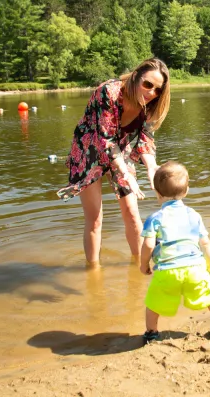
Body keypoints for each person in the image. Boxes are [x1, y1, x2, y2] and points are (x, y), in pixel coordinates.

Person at [57, 58, 171, 266]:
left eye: (157, 90)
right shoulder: (108, 92)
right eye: (147, 84)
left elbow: (146, 137)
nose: (151, 92)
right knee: (95, 219)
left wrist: (152, 166)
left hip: (120, 149)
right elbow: (106, 139)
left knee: (132, 214)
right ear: (136, 77)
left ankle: (140, 266)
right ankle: (94, 270)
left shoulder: (149, 105)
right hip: (89, 151)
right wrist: (126, 174)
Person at [139, 161, 210, 344]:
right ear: (186, 191)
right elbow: (206, 243)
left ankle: (152, 332)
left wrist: (143, 265)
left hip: (167, 271)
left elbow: (148, 245)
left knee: (153, 302)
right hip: (195, 268)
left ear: (157, 193)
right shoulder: (193, 215)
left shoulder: (155, 218)